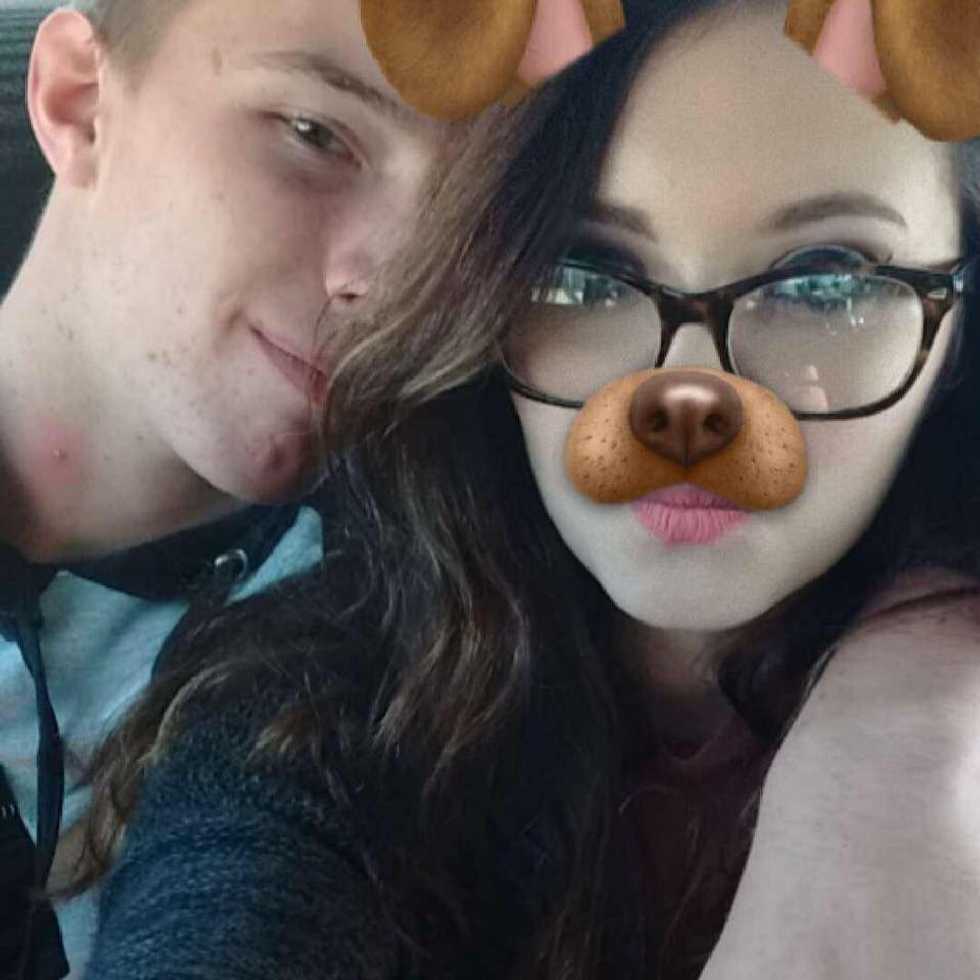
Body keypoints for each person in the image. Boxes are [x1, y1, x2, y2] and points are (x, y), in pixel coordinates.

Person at [66, 0, 980, 977]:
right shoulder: (302, 723)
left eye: (826, 282)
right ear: (481, 305)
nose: (686, 399)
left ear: (959, 320)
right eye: (584, 276)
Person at [0, 1, 542, 977]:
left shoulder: (430, 620)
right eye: (315, 134)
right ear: (79, 103)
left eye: (474, 214)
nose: (403, 287)